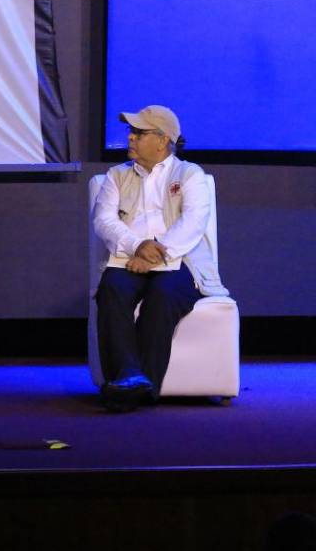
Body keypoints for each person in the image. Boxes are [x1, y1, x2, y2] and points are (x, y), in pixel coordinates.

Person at [92, 104, 229, 412]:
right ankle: (130, 376)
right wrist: (137, 245)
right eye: (131, 132)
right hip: (129, 257)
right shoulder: (117, 176)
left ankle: (136, 387)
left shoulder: (190, 174)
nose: (130, 138)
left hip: (179, 262)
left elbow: (192, 222)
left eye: (139, 133)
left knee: (164, 294)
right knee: (112, 288)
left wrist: (155, 253)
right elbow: (103, 220)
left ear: (163, 140)